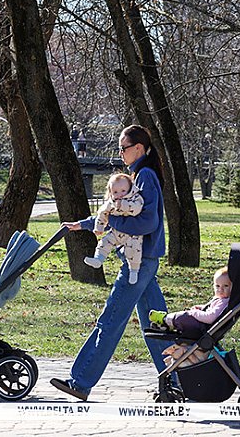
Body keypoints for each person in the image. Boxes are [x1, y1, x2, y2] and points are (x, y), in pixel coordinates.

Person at [51, 125, 173, 401]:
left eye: (123, 148)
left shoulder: (145, 176)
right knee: (156, 325)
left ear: (139, 149)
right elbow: (119, 212)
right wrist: (83, 225)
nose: (120, 153)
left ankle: (80, 382)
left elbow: (146, 221)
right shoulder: (139, 175)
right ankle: (176, 380)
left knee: (111, 320)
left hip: (139, 263)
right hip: (144, 261)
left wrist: (110, 223)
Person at [84, 172, 145, 284]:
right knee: (104, 242)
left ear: (130, 188)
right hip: (116, 232)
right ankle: (98, 259)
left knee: (134, 250)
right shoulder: (111, 203)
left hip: (132, 234)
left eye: (123, 191)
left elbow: (137, 208)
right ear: (111, 192)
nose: (120, 195)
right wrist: (99, 227)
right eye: (115, 192)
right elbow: (102, 214)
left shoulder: (135, 198)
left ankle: (134, 270)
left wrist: (123, 205)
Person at [148, 266, 231, 334]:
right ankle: (165, 325)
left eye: (226, 286)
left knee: (183, 316)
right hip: (201, 324)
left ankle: (164, 319)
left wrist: (195, 313)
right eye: (217, 286)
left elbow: (210, 317)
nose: (221, 289)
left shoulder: (223, 302)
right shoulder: (220, 299)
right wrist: (201, 308)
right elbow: (211, 308)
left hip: (202, 327)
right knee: (185, 315)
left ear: (232, 287)